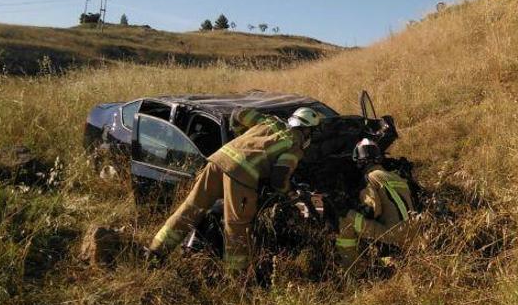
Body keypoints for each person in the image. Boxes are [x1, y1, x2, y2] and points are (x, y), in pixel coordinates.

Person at [146, 106, 322, 272]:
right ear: (307, 131)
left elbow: (238, 113)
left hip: (218, 160)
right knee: (237, 226)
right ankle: (237, 276)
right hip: (241, 175)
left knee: (191, 207)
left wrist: (241, 137)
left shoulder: (270, 121)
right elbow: (279, 179)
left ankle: (155, 252)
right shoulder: (294, 145)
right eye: (312, 132)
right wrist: (289, 193)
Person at [335, 139, 416, 274]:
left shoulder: (370, 177)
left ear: (359, 161)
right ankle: (388, 257)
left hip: (394, 236)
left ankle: (355, 270)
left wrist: (349, 205)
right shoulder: (397, 176)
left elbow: (372, 211)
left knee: (345, 219)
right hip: (413, 236)